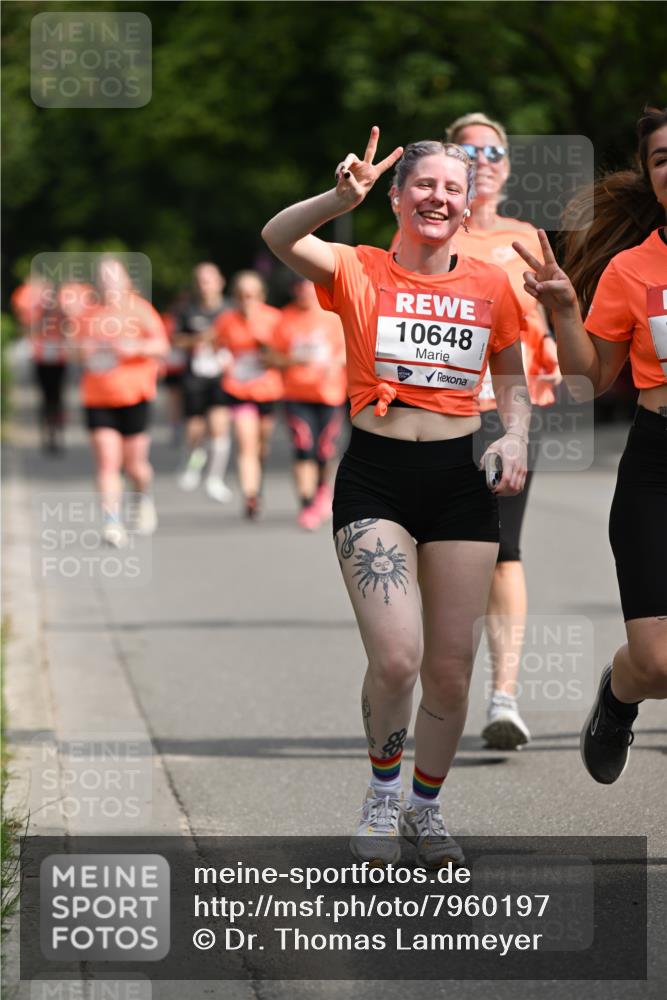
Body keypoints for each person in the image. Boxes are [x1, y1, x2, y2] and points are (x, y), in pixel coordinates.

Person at [262, 127, 529, 866]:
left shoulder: (488, 282)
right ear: (397, 196)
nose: (439, 197)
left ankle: (425, 808)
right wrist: (333, 199)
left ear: (469, 203)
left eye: (454, 188)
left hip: (458, 484)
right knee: (397, 659)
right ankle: (381, 796)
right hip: (376, 475)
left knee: (450, 667)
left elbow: (511, 376)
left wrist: (514, 437)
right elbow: (279, 235)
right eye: (424, 185)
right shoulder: (357, 268)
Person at [514, 106, 667, 784]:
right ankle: (617, 694)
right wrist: (563, 313)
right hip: (656, 465)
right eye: (660, 159)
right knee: (658, 664)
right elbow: (591, 377)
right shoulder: (633, 269)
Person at [443, 112, 563, 749]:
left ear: (507, 167)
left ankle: (504, 697)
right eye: (470, 150)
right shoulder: (427, 231)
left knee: (503, 551)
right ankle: (441, 694)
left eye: (494, 151)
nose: (483, 159)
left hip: (506, 414)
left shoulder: (527, 238)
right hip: (436, 412)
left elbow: (554, 316)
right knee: (446, 553)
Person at [76, 258, 168, 546]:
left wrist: (135, 347)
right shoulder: (88, 315)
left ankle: (142, 500)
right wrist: (89, 352)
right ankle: (111, 522)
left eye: (113, 276)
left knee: (135, 467)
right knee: (107, 463)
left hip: (134, 395)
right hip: (98, 396)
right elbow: (76, 352)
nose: (108, 282)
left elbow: (162, 345)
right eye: (103, 277)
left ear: (126, 280)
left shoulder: (139, 309)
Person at [267, 277, 347, 530]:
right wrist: (293, 360)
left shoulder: (333, 317)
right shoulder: (284, 319)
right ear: (294, 291)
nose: (305, 293)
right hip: (296, 395)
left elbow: (350, 349)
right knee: (303, 447)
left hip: (330, 394)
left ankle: (323, 490)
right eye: (300, 288)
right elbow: (270, 356)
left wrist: (335, 363)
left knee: (324, 450)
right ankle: (307, 503)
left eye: (310, 289)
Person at [214, 271, 282, 519]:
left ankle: (257, 481)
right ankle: (250, 495)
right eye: (241, 295)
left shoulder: (275, 319)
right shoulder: (226, 320)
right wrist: (223, 360)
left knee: (261, 446)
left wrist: (268, 353)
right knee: (246, 442)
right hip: (238, 388)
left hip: (268, 388)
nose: (246, 300)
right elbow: (217, 346)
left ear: (261, 296)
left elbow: (284, 355)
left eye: (251, 295)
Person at [173, 262, 234, 502]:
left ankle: (215, 478)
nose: (204, 285)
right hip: (194, 376)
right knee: (195, 430)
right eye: (199, 281)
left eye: (208, 280)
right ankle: (193, 461)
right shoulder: (187, 310)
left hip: (222, 376)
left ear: (220, 282)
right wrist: (199, 339)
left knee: (219, 426)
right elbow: (176, 340)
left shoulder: (230, 310)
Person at [11, 276, 68, 454]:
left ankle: (57, 431)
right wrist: (42, 316)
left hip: (59, 358)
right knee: (44, 397)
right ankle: (46, 433)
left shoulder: (61, 311)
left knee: (57, 396)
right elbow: (27, 329)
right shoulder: (36, 312)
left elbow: (69, 329)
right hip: (41, 358)